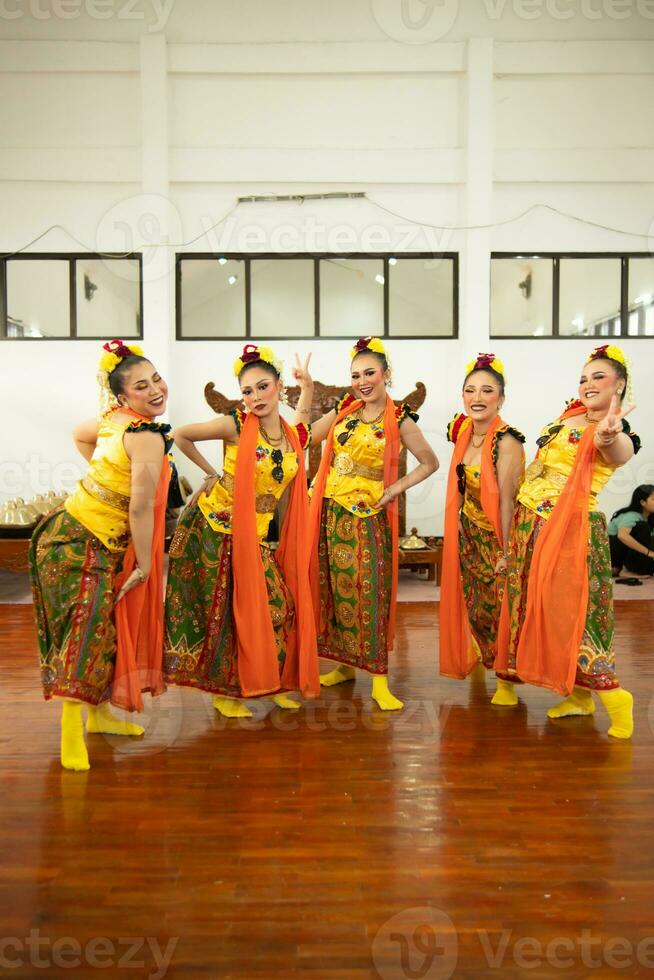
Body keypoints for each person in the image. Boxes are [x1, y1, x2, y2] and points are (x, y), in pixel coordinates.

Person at [29, 340, 173, 771]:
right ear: (124, 397)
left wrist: (104, 479)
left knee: (109, 629)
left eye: (157, 379)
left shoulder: (116, 421)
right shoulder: (145, 436)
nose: (155, 390)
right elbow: (140, 507)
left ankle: (101, 715)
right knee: (86, 629)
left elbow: (80, 434)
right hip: (74, 541)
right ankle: (71, 728)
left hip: (84, 536)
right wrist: (148, 564)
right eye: (141, 386)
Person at [163, 344, 318, 717]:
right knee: (226, 614)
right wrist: (211, 472)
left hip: (257, 535)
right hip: (216, 529)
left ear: (279, 386)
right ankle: (224, 693)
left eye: (262, 387)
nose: (254, 397)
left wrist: (308, 385)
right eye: (247, 391)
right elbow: (180, 434)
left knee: (278, 607)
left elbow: (302, 412)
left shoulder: (292, 433)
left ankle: (275, 680)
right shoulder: (234, 424)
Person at [498, 343, 639, 738]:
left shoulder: (611, 427)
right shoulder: (570, 417)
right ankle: (579, 697)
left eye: (598, 377)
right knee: (542, 611)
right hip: (533, 525)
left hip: (570, 530)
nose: (588, 384)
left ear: (620, 384)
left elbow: (617, 450)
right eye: (583, 377)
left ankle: (615, 699)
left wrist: (610, 435)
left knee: (575, 614)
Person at [294, 336, 438, 710]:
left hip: (366, 517)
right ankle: (344, 666)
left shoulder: (400, 417)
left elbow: (429, 462)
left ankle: (378, 678)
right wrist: (306, 390)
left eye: (369, 372)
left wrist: (392, 490)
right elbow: (304, 437)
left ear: (386, 374)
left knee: (368, 592)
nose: (362, 380)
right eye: (356, 374)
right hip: (327, 511)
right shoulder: (345, 409)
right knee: (331, 591)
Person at [440, 354, 525, 703]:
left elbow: (507, 501)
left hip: (497, 533)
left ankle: (506, 678)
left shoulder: (507, 441)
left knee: (501, 603)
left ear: (501, 399)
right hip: (468, 531)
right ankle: (477, 659)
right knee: (474, 603)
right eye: (470, 390)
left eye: (487, 390)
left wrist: (506, 550)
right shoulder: (461, 431)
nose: (477, 397)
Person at [608, 485, 654, 576]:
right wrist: (649, 553)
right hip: (613, 552)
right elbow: (622, 536)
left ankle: (619, 570)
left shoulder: (650, 518)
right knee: (642, 528)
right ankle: (625, 569)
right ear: (643, 502)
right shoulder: (631, 515)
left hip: (633, 555)